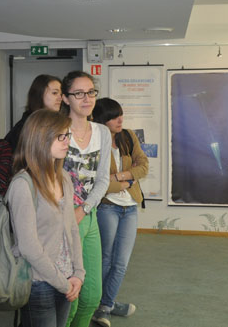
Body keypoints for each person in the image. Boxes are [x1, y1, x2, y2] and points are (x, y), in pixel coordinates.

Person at [8, 109, 85, 327]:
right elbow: (28, 246)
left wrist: (78, 274)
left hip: (67, 278)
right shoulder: (23, 185)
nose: (67, 141)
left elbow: (72, 229)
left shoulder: (63, 178)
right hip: (38, 282)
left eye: (67, 135)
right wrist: (62, 283)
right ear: (40, 138)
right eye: (60, 136)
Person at [91, 98, 149, 327]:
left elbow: (143, 165)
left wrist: (119, 177)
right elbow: (98, 183)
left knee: (121, 262)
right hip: (107, 206)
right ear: (102, 120)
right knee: (104, 260)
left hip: (130, 207)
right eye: (114, 117)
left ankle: (106, 305)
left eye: (121, 115)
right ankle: (95, 305)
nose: (120, 120)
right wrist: (126, 180)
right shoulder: (95, 141)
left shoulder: (128, 136)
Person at [60, 71, 111, 327]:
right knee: (69, 296)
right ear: (66, 98)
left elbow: (103, 179)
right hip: (61, 217)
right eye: (78, 93)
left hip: (88, 216)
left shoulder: (103, 132)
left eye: (90, 92)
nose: (86, 98)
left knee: (92, 297)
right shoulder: (57, 130)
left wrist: (85, 208)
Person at [5, 74, 62, 152]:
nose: (60, 98)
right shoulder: (25, 127)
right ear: (39, 94)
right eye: (55, 93)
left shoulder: (53, 123)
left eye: (61, 94)